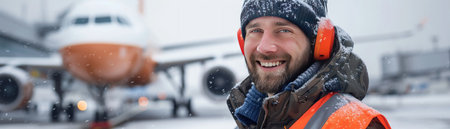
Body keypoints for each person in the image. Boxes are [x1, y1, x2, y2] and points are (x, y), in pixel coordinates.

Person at [226, 0, 391, 129]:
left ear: (319, 43)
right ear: (243, 41)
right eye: (255, 31)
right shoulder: (250, 120)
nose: (264, 46)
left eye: (284, 30)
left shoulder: (351, 123)